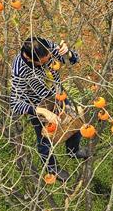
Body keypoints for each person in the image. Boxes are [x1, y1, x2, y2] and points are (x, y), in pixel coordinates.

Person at [10, 36, 86, 182]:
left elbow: (73, 60)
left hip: (58, 95)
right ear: (31, 59)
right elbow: (15, 103)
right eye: (44, 62)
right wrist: (42, 111)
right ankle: (52, 168)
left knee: (74, 122)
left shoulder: (46, 47)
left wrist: (68, 54)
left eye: (49, 57)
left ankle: (73, 150)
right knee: (45, 138)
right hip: (39, 104)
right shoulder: (19, 70)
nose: (49, 60)